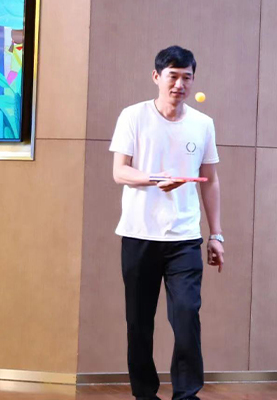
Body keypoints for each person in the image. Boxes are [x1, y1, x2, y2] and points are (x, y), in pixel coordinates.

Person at [110, 45, 225, 400]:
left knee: (187, 316)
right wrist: (153, 179)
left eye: (186, 77)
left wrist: (216, 235)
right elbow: (120, 171)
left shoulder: (203, 124)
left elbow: (211, 180)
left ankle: (186, 394)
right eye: (172, 76)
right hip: (138, 235)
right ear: (156, 77)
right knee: (139, 323)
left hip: (184, 239)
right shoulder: (133, 116)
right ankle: (145, 394)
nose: (179, 84)